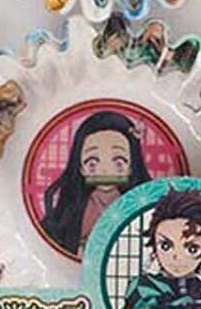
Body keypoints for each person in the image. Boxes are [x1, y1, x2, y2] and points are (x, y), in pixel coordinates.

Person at [42, 109, 151, 256]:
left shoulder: (134, 205)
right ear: (81, 168)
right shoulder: (77, 208)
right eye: (92, 162)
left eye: (119, 162)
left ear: (131, 167)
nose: (105, 171)